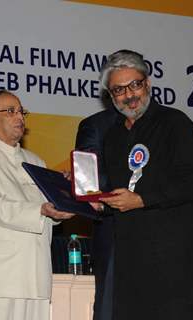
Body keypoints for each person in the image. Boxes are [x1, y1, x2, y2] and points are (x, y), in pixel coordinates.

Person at [97, 50, 193, 319]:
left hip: (174, 267)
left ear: (147, 83)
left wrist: (141, 199)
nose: (129, 95)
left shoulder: (175, 123)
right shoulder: (112, 137)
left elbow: (191, 182)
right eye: (119, 90)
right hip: (131, 266)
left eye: (135, 84)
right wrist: (93, 198)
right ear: (111, 96)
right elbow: (115, 193)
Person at [0, 90, 74, 320]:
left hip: (37, 272)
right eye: (11, 111)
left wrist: (64, 198)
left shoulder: (36, 161)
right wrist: (40, 210)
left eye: (21, 111)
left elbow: (49, 212)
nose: (19, 117)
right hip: (1, 275)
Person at [75, 98, 117, 320]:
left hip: (159, 239)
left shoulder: (163, 125)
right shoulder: (96, 125)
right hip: (115, 234)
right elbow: (87, 182)